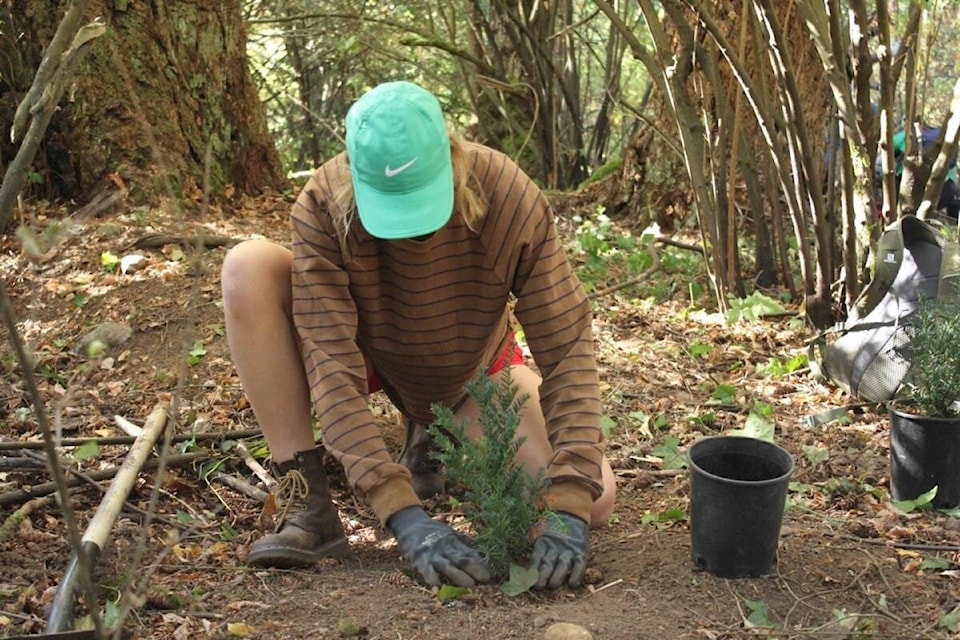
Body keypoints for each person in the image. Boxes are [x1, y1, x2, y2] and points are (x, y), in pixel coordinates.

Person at [220, 80, 616, 590]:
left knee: (596, 497)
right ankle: (310, 503)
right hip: (369, 351)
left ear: (454, 157)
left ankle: (434, 434)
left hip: (470, 372)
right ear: (355, 179)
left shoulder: (508, 196)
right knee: (247, 267)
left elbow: (566, 351)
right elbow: (331, 365)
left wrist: (570, 500)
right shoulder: (323, 204)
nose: (410, 232)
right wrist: (402, 514)